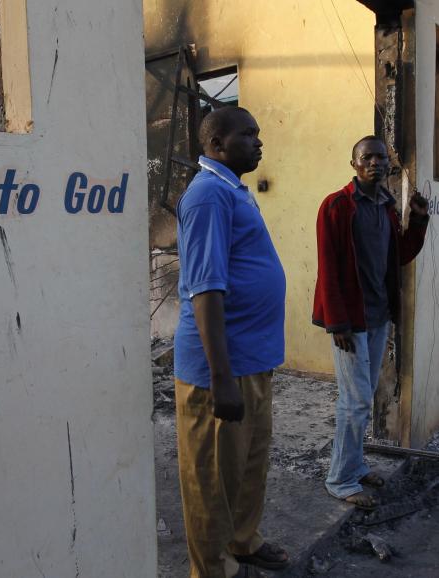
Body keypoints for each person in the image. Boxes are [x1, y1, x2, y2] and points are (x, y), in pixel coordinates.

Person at [173, 106, 289, 578]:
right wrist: (221, 378)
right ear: (217, 144)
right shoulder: (206, 197)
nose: (259, 142)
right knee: (210, 482)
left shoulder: (231, 190)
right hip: (220, 371)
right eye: (248, 135)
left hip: (253, 361)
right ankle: (211, 569)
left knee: (248, 467)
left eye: (259, 133)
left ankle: (243, 542)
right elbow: (205, 289)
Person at [312, 136, 429, 509]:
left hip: (378, 316)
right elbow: (328, 269)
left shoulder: (387, 207)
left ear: (388, 164)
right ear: (354, 164)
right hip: (349, 321)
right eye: (367, 157)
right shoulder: (336, 206)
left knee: (364, 396)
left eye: (381, 157)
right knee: (356, 400)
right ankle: (341, 479)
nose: (375, 163)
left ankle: (356, 465)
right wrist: (338, 323)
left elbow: (401, 256)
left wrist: (420, 219)